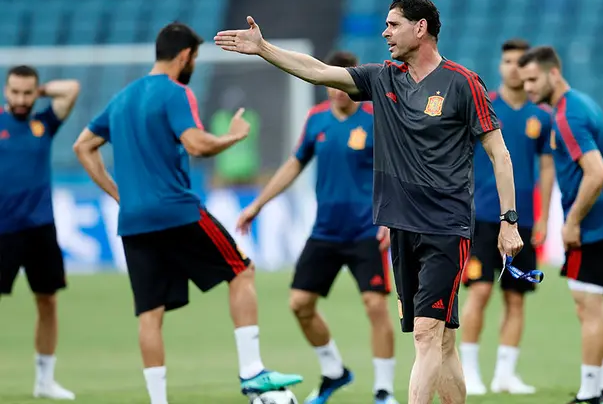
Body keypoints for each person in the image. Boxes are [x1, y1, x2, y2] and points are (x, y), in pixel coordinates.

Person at [215, 0, 525, 404]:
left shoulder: (462, 82)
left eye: (393, 24)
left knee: (425, 334)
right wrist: (264, 49)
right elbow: (319, 71)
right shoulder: (384, 77)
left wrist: (509, 220)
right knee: (443, 340)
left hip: (446, 228)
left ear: (421, 28)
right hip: (400, 227)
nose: (385, 32)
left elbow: (499, 154)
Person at [72, 22, 302, 404]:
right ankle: (252, 373)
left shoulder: (123, 99)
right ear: (184, 56)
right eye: (194, 57)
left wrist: (119, 195)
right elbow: (196, 145)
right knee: (241, 270)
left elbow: (83, 147)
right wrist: (234, 135)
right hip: (177, 211)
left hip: (134, 222)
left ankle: (159, 401)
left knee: (150, 314)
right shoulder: (175, 93)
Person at [236, 50, 399, 404]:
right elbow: (294, 165)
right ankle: (334, 371)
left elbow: (395, 169)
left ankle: (384, 391)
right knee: (299, 304)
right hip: (325, 230)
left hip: (366, 231)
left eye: (342, 84)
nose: (337, 91)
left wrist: (389, 216)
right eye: (330, 85)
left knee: (375, 306)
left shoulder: (375, 118)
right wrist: (257, 204)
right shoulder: (316, 119)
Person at [517, 46, 603, 404]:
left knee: (587, 306)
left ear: (553, 74)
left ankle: (590, 392)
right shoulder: (580, 104)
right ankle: (599, 386)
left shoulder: (567, 116)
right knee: (593, 306)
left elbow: (598, 173)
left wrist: (572, 221)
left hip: (592, 226)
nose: (526, 87)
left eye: (532, 79)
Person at [459, 38, 554, 396]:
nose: (513, 68)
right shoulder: (483, 108)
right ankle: (469, 370)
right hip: (482, 216)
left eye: (519, 62)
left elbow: (546, 168)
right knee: (480, 291)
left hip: (524, 220)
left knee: (516, 297)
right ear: (500, 66)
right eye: (508, 61)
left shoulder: (540, 116)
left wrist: (543, 215)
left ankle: (505, 374)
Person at [0, 65, 80, 400]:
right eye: (14, 92)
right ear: (5, 92)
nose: (20, 99)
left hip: (40, 230)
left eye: (26, 93)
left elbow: (72, 87)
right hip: (2, 232)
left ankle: (44, 381)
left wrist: (41, 91)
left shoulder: (43, 123)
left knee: (47, 302)